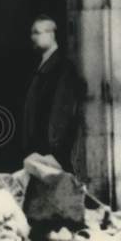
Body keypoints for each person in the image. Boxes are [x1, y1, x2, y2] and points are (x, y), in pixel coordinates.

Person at [22, 14, 84, 171]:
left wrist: (55, 152)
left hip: (50, 155)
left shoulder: (63, 68)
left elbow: (61, 112)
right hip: (38, 152)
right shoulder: (41, 66)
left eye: (36, 33)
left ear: (51, 34)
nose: (32, 37)